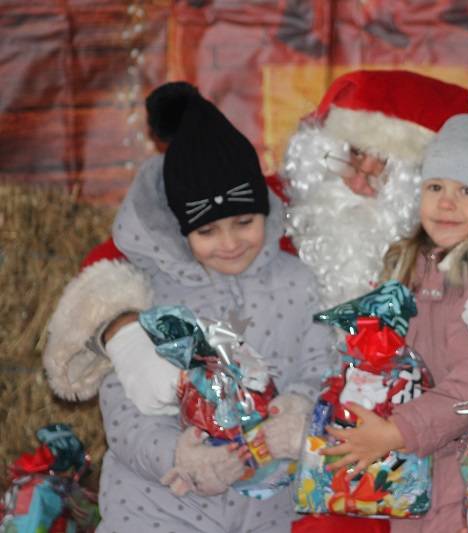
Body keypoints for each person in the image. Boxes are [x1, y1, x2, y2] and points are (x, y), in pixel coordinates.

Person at [43, 82, 334, 532]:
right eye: (207, 231)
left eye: (244, 221)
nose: (230, 243)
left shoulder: (299, 282)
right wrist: (177, 455)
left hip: (264, 514)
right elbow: (123, 409)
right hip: (158, 511)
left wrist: (300, 410)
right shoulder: (146, 295)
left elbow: (323, 365)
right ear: (181, 232)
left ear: (266, 211)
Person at [318, 113, 468, 532]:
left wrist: (396, 430)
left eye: (467, 190)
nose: (446, 203)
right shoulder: (423, 265)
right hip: (424, 468)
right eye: (435, 187)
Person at [281, 69, 468, 308]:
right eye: (355, 152)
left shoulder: (463, 275)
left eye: (385, 165)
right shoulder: (267, 232)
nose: (358, 184)